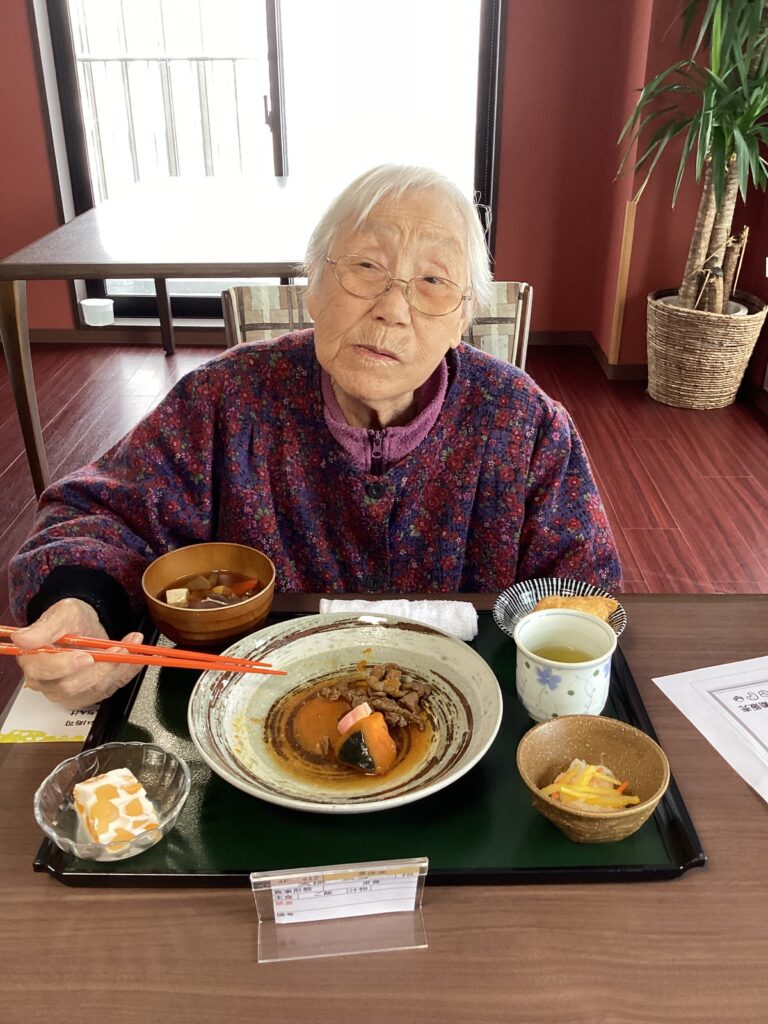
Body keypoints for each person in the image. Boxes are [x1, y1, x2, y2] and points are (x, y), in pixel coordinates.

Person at [8, 164, 621, 706]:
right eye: (366, 266)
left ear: (462, 318)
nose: (392, 308)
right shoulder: (226, 399)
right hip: (253, 708)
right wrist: (83, 605)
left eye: (433, 282)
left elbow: (586, 591)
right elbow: (94, 515)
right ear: (313, 287)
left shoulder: (524, 424)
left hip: (469, 711)